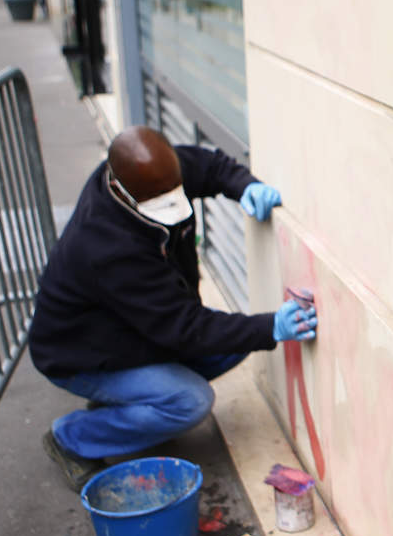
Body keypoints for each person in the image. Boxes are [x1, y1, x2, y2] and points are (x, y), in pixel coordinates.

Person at [29, 125, 318, 490]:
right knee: (190, 401)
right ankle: (71, 438)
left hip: (132, 331)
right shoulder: (107, 247)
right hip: (79, 354)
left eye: (174, 192)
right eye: (160, 202)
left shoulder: (156, 172)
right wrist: (270, 327)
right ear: (121, 189)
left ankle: (124, 409)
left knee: (235, 341)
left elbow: (211, 166)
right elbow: (185, 328)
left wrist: (246, 185)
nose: (172, 204)